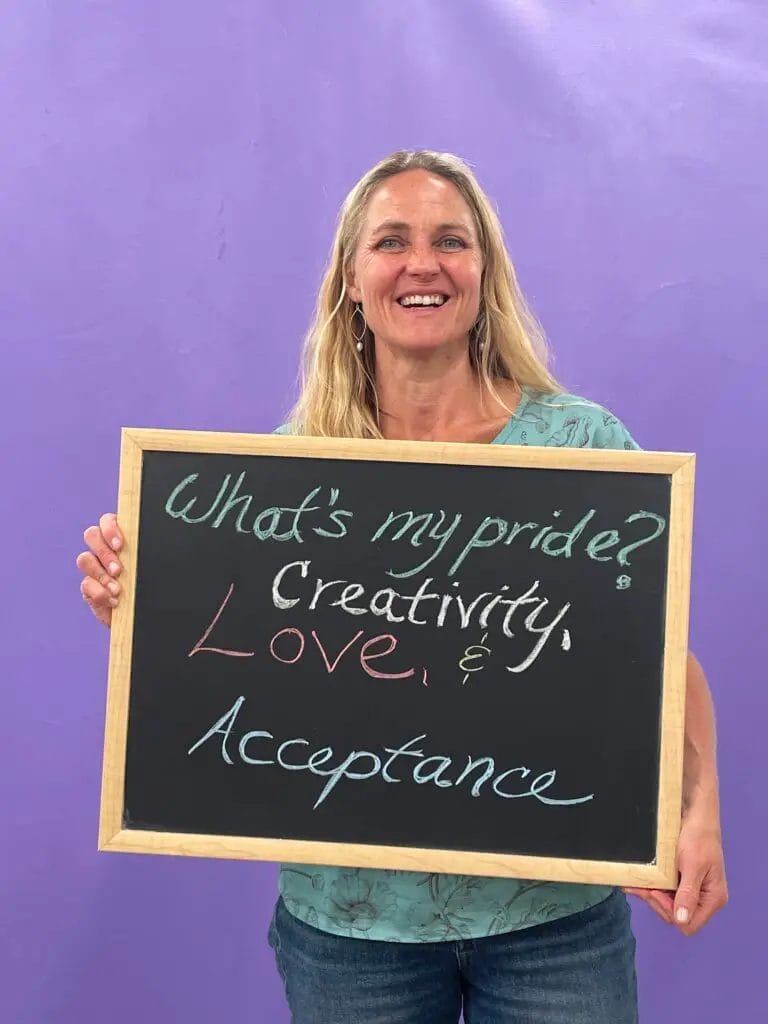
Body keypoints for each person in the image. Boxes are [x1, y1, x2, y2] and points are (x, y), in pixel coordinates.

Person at [77, 150, 727, 1023]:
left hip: (554, 921)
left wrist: (700, 810)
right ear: (352, 279)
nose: (423, 263)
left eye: (450, 241)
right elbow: (229, 665)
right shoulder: (286, 475)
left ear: (483, 272)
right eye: (392, 242)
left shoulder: (581, 448)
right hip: (352, 931)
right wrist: (141, 607)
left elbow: (658, 656)